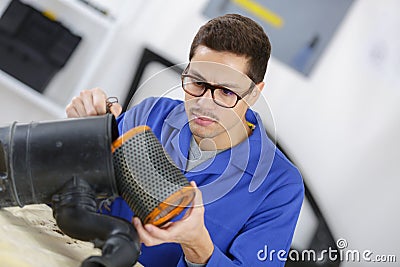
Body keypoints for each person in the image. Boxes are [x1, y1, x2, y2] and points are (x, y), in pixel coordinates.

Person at [66, 14, 304, 267]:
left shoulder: (280, 186)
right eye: (198, 82)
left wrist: (198, 245)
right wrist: (88, 133)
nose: (204, 103)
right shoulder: (151, 116)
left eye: (226, 91)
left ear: (254, 93)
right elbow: (79, 190)